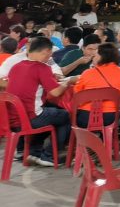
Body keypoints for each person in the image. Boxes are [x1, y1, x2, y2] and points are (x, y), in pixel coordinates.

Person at [5, 36, 76, 166]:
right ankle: (49, 156)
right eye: (49, 55)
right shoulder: (42, 67)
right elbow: (55, 92)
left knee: (51, 115)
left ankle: (34, 152)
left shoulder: (16, 66)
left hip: (12, 119)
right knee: (65, 115)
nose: (49, 58)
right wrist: (65, 84)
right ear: (45, 52)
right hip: (29, 117)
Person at [73, 41, 120, 127]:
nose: (93, 57)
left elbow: (77, 94)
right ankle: (104, 138)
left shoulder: (87, 73)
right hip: (110, 117)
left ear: (102, 57)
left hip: (86, 117)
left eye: (96, 55)